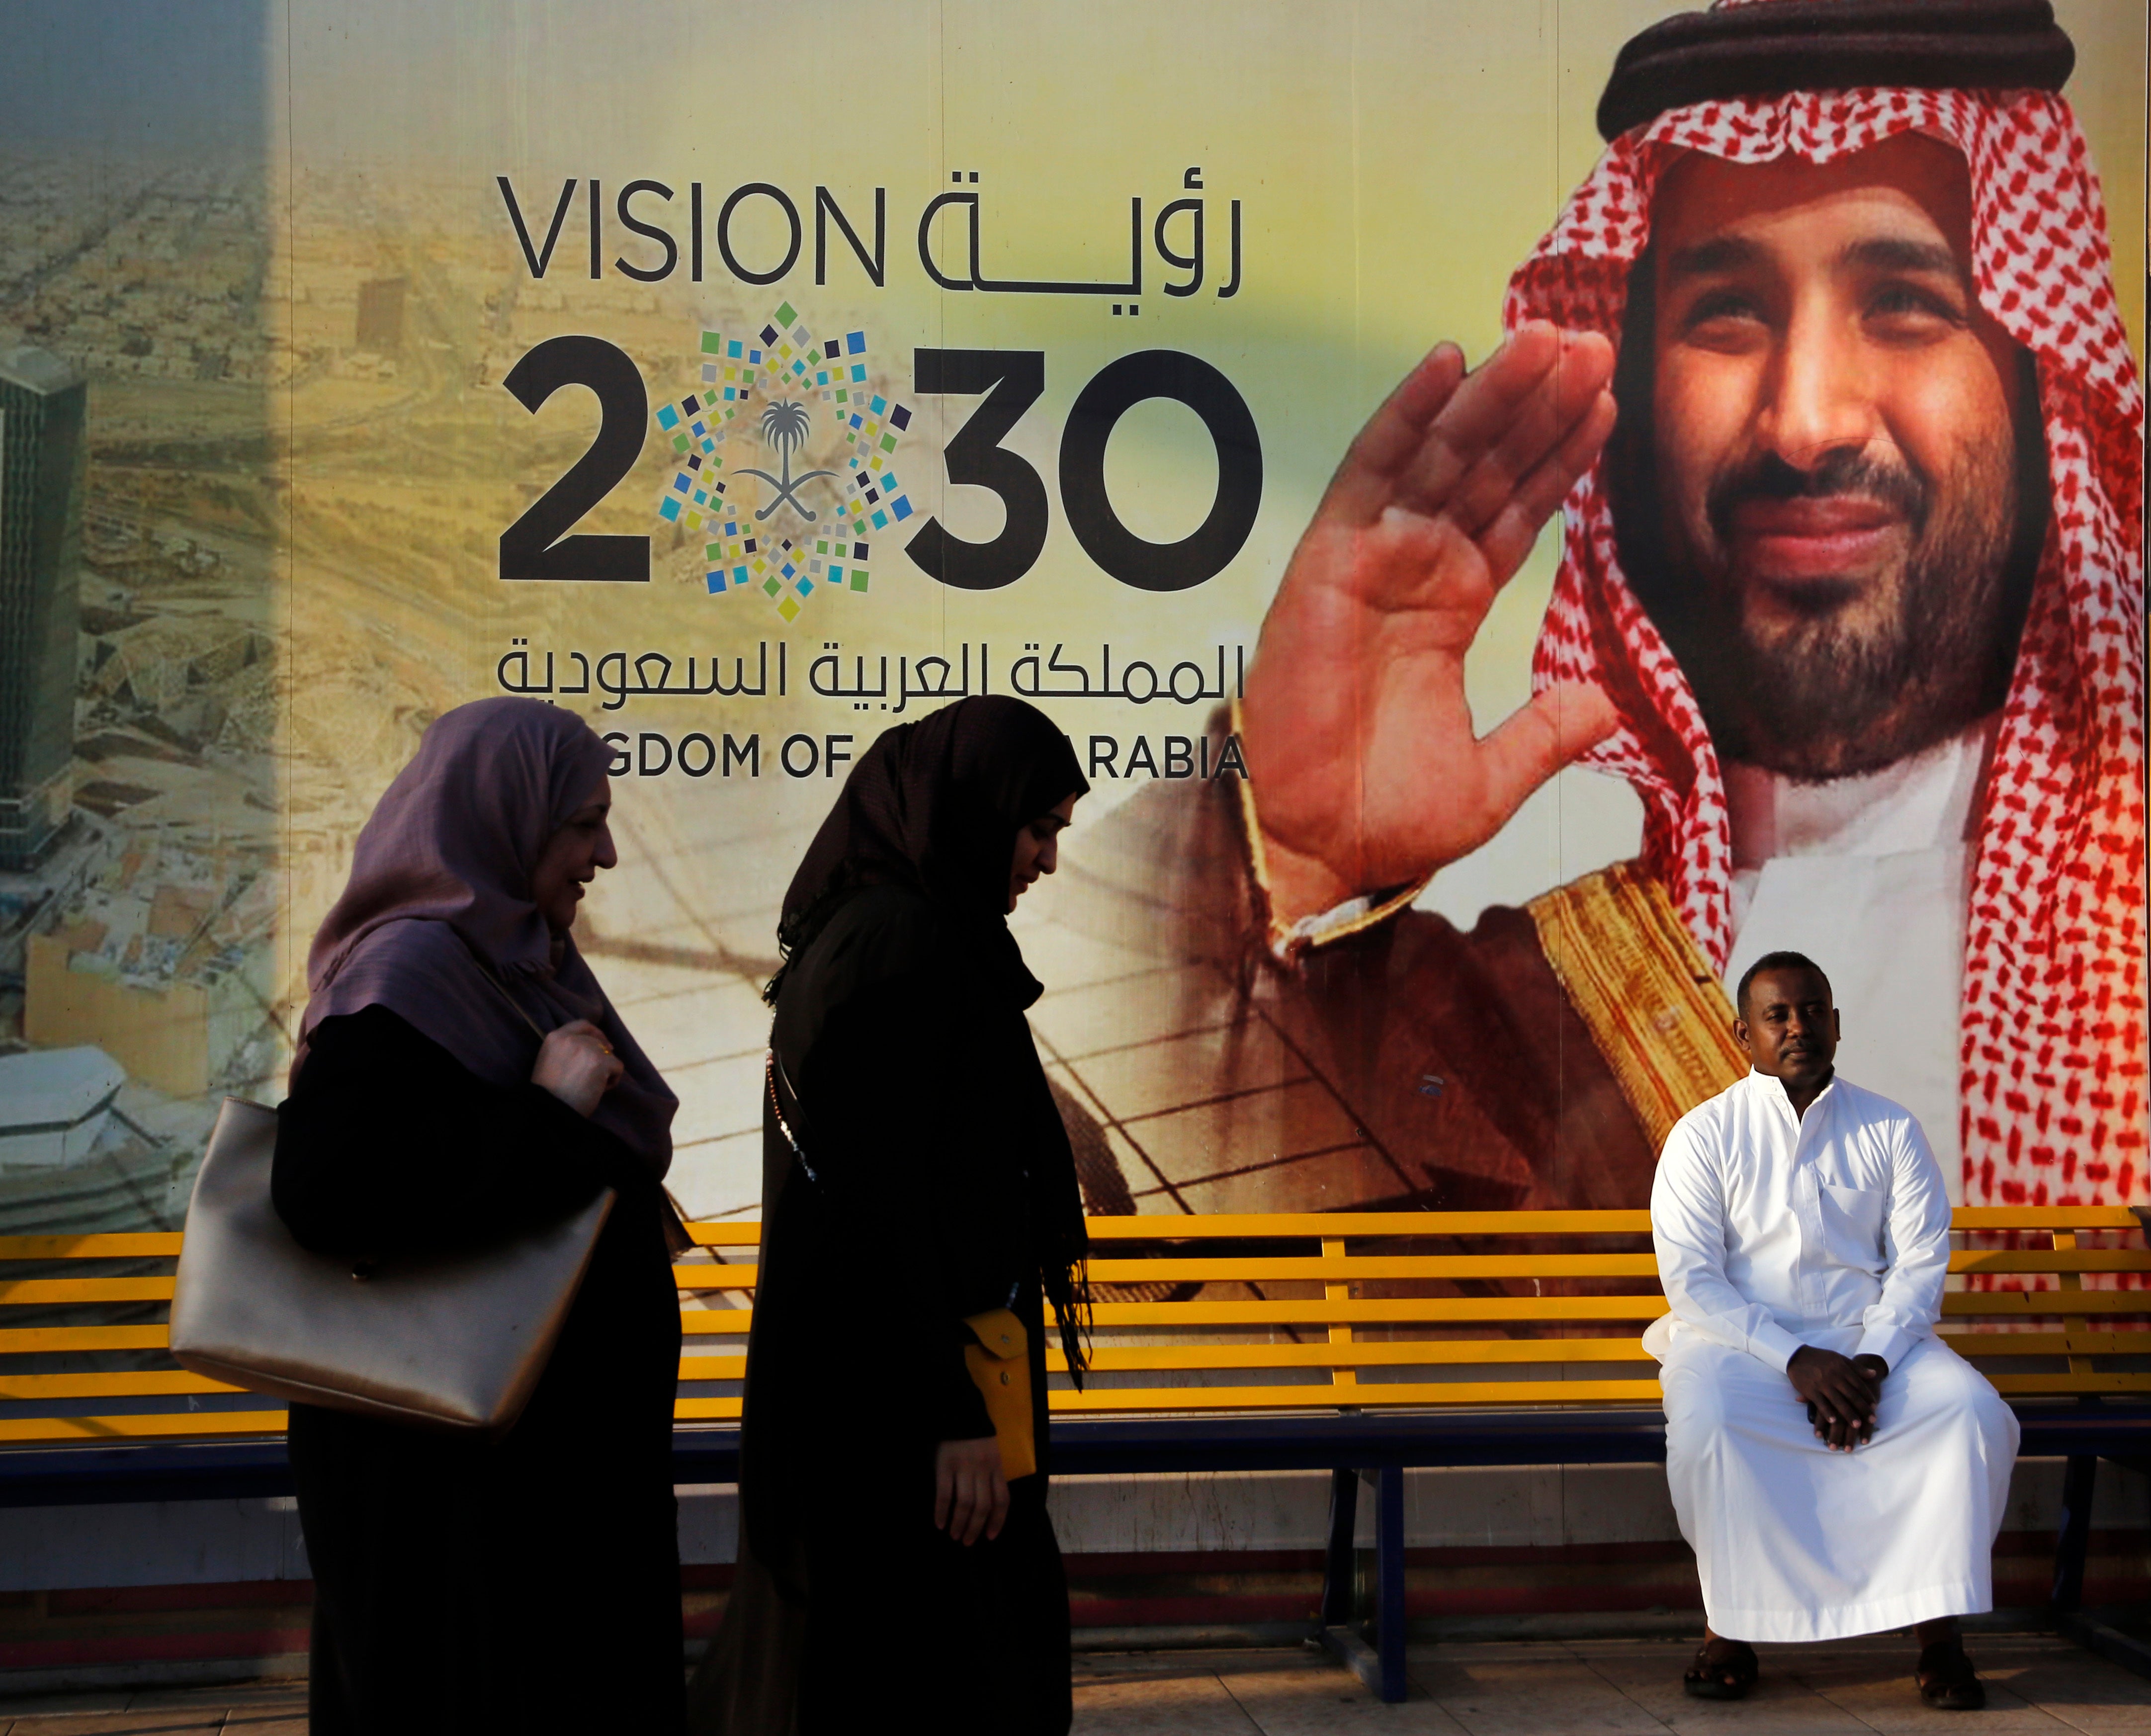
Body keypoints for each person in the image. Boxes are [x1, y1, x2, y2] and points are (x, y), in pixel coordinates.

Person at [1056, 0, 2142, 1218]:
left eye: (1904, 304)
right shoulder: (1516, 1027)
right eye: (1726, 314)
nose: (1805, 421)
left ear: (2044, 380)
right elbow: (1081, 1167)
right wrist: (1285, 860)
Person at [274, 697, 686, 1735]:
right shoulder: (406, 975)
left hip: (541, 1498)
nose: (607, 854)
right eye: (583, 822)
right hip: (458, 1513)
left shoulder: (515, 963)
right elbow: (327, 1190)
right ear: (507, 815)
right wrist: (546, 1114)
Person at [688, 694, 1090, 1736]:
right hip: (900, 1419)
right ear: (969, 808)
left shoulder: (909, 932)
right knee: (929, 1675)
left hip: (899, 1399)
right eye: (1036, 828)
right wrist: (953, 1419)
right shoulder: (896, 947)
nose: (1045, 861)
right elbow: (880, 1214)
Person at [1649, 950, 2017, 1708]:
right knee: (1712, 1422)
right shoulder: (1703, 1136)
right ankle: (1729, 1631)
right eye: (1776, 1015)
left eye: (1812, 1010)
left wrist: (1873, 1364)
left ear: (1837, 1024)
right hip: (1742, 1348)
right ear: (1742, 1032)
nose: (1797, 1028)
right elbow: (1694, 1285)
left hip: (1872, 1345)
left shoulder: (1888, 1127)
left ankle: (1940, 1638)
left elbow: (1919, 1268)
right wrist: (1796, 1361)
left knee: (1973, 1415)